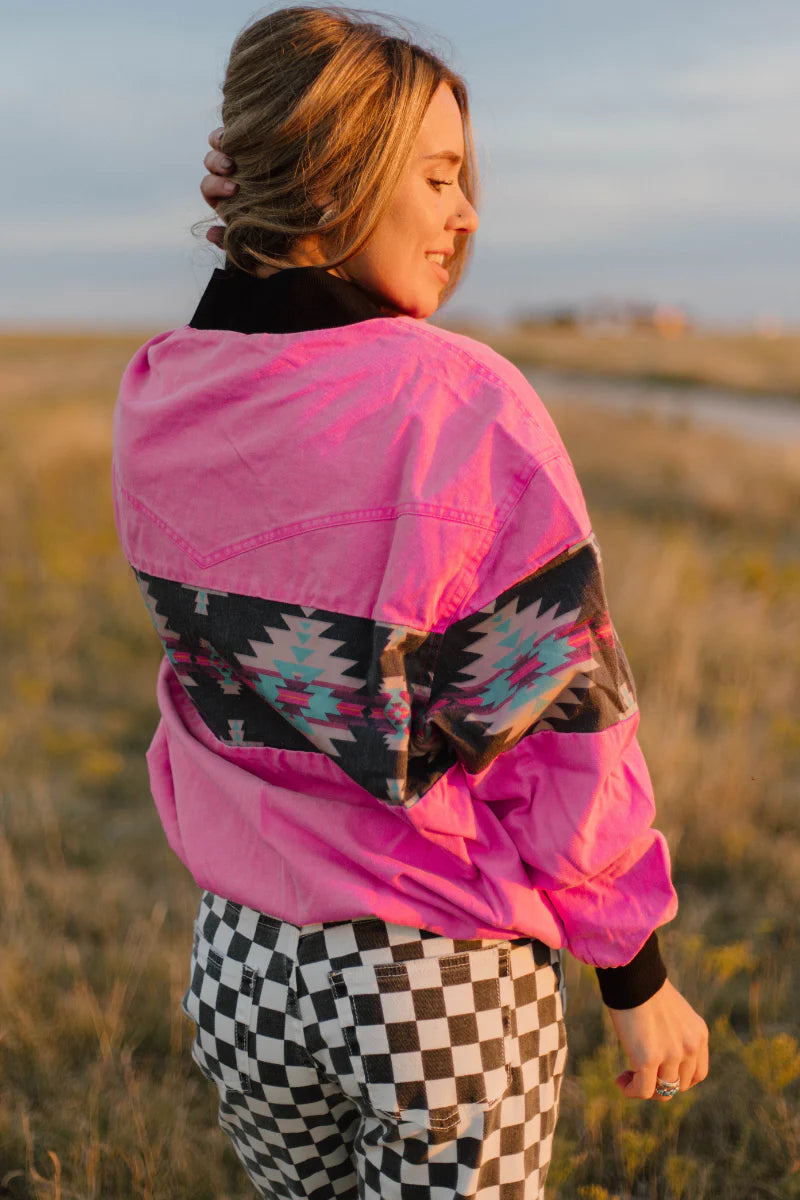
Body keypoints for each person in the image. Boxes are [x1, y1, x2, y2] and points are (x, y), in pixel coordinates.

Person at [112, 7, 708, 1198]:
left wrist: (269, 214)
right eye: (436, 176)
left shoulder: (160, 394)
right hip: (435, 980)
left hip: (241, 969)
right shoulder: (457, 400)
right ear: (333, 176)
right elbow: (558, 710)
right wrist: (632, 970)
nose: (466, 212)